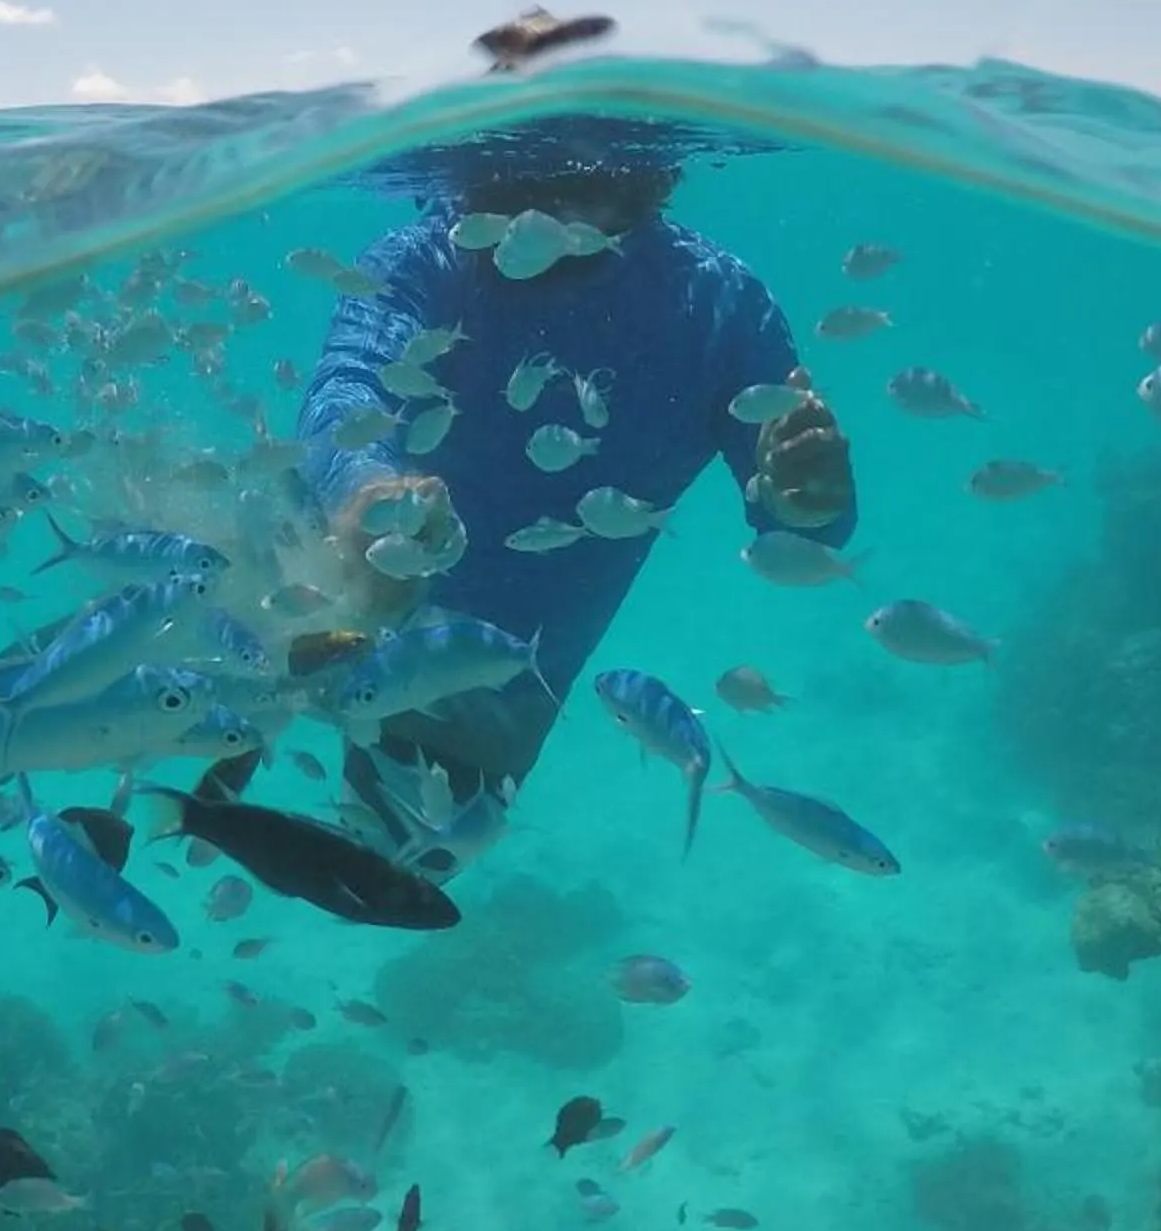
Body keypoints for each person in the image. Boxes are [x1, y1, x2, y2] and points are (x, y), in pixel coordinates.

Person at [296, 117, 859, 856]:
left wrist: (811, 498)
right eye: (527, 177)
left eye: (590, 177)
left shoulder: (722, 306)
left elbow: (803, 535)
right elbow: (348, 386)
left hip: (489, 702)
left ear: (654, 171)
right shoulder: (426, 259)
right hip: (308, 602)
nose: (556, 205)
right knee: (164, 733)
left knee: (395, 873)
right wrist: (363, 488)